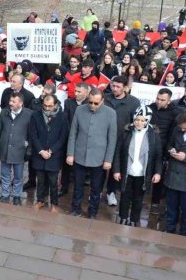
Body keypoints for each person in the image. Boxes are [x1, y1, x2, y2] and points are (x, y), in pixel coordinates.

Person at [66, 87, 117, 218]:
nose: (92, 105)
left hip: (99, 158)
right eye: (90, 102)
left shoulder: (110, 113)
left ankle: (92, 212)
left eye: (96, 103)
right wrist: (70, 153)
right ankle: (75, 209)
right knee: (78, 185)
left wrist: (108, 160)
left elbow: (112, 139)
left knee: (96, 188)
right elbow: (73, 133)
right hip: (80, 154)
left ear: (102, 101)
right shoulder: (79, 109)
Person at [112, 106, 163, 227]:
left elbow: (158, 156)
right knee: (124, 196)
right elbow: (118, 152)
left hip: (143, 173)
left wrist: (157, 172)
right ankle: (123, 217)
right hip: (127, 171)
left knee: (138, 198)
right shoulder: (126, 132)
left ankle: (134, 219)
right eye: (137, 120)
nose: (139, 122)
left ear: (147, 121)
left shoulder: (154, 136)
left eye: (142, 120)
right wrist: (116, 170)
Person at [104, 75, 141, 207]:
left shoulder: (134, 102)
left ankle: (111, 192)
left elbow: (135, 122)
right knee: (100, 167)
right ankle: (95, 190)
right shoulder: (105, 98)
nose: (114, 89)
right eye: (113, 85)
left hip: (121, 140)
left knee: (116, 167)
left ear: (125, 88)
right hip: (103, 138)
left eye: (118, 87)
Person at [30, 94, 68, 212]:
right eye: (45, 106)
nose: (47, 108)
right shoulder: (35, 115)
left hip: (54, 155)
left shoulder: (62, 117)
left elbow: (63, 137)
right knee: (40, 179)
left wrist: (51, 151)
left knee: (53, 181)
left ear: (56, 105)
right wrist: (41, 151)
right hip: (39, 153)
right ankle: (40, 200)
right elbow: (33, 135)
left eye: (50, 106)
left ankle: (54, 203)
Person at [147, 88, 180, 224]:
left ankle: (155, 202)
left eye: (162, 100)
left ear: (169, 100)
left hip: (161, 150)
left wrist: (167, 151)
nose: (159, 102)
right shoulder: (149, 108)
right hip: (146, 146)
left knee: (158, 177)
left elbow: (173, 134)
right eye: (158, 99)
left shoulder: (174, 113)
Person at [0, 92, 32, 205]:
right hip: (5, 148)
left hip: (20, 150)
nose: (10, 103)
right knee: (5, 174)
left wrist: (29, 149)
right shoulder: (4, 112)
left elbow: (31, 134)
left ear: (21, 103)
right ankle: (5, 194)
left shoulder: (29, 114)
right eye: (10, 101)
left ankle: (17, 195)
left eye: (13, 101)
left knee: (18, 176)